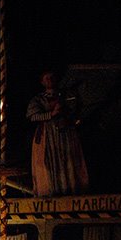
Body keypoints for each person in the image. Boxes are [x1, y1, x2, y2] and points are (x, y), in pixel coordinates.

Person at [26, 69, 89, 197]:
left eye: (51, 77)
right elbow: (32, 116)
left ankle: (71, 189)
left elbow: (76, 112)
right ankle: (50, 191)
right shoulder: (38, 99)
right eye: (46, 78)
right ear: (42, 82)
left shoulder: (67, 96)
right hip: (47, 136)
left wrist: (68, 116)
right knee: (49, 163)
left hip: (66, 135)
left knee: (69, 162)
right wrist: (51, 114)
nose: (49, 80)